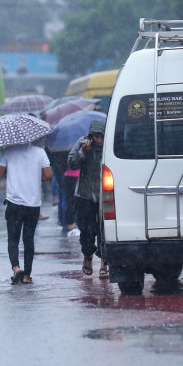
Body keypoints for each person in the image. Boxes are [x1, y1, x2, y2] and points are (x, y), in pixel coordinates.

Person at [0, 140, 52, 285]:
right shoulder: (40, 152)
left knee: (13, 239)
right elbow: (48, 175)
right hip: (33, 204)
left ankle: (16, 268)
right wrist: (35, 178)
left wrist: (9, 169)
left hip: (14, 203)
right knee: (28, 239)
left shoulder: (9, 151)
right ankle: (27, 275)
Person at [67, 119, 108, 279]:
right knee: (86, 230)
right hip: (84, 195)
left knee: (104, 231)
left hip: (105, 196)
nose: (99, 140)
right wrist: (83, 152)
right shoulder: (83, 143)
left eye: (101, 136)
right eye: (96, 136)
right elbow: (72, 164)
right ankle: (88, 257)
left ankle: (105, 262)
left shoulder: (109, 146)